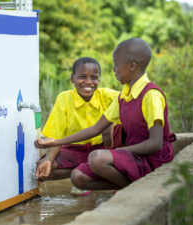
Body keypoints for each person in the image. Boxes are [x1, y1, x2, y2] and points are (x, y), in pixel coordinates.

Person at [35, 38, 176, 191]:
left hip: (150, 159)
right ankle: (128, 186)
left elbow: (155, 144)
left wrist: (117, 151)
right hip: (131, 155)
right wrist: (56, 142)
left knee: (96, 158)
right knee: (78, 177)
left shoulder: (151, 95)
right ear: (72, 78)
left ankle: (136, 190)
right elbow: (95, 129)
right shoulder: (124, 96)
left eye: (116, 65)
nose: (114, 70)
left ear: (132, 66)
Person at [35, 57, 119, 194]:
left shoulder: (108, 96)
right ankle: (84, 176)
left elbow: (132, 101)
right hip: (75, 151)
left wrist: (110, 124)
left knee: (122, 140)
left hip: (103, 149)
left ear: (99, 80)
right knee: (44, 169)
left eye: (94, 78)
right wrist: (48, 160)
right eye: (82, 77)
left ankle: (107, 181)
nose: (88, 82)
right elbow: (56, 136)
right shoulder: (64, 98)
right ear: (72, 79)